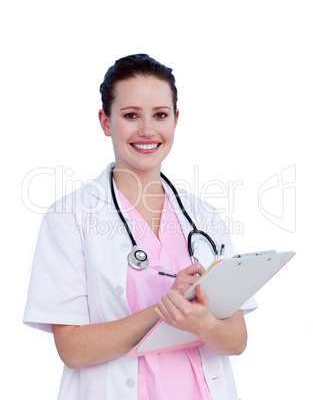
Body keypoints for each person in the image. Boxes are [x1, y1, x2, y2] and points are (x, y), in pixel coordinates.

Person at [23, 54, 257, 400]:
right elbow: (72, 348)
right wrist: (165, 308)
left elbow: (236, 339)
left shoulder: (203, 216)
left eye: (160, 115)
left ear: (176, 120)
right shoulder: (69, 217)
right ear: (106, 122)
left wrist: (204, 324)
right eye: (131, 115)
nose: (148, 130)